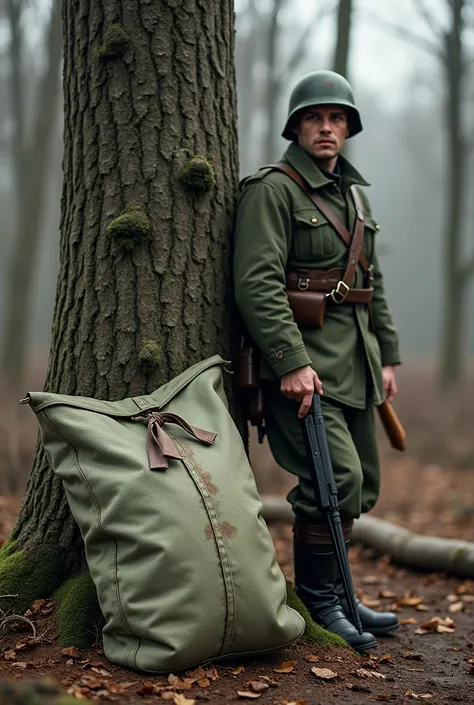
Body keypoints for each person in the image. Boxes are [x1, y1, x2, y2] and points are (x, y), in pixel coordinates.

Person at [233, 70, 401, 652]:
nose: (326, 127)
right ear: (296, 127)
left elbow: (369, 284)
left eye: (336, 119)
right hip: (306, 371)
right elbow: (256, 283)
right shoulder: (273, 190)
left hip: (356, 365)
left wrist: (388, 355)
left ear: (348, 128)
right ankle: (321, 601)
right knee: (334, 481)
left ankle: (341, 593)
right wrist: (289, 361)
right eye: (314, 118)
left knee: (360, 486)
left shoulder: (354, 194)